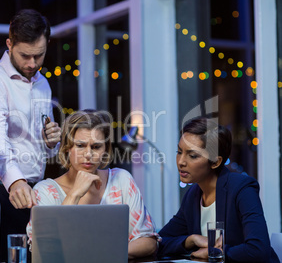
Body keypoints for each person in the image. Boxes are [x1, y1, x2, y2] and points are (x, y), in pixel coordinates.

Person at [0, 9, 61, 261]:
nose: (32, 63)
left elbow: (43, 145)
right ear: (9, 44)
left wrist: (51, 141)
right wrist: (15, 181)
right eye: (25, 56)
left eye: (39, 55)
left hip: (33, 187)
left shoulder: (43, 83)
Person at [26, 109, 160, 259]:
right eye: (80, 146)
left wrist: (100, 254)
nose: (88, 154)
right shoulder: (45, 191)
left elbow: (149, 242)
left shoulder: (121, 180)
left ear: (105, 149)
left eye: (96, 147)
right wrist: (74, 194)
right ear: (67, 148)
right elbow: (46, 250)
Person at [158, 117, 279, 262]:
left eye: (192, 155)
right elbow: (160, 242)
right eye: (179, 152)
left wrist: (215, 252)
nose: (181, 162)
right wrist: (191, 240)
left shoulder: (242, 188)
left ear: (216, 162)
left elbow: (258, 250)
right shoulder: (193, 195)